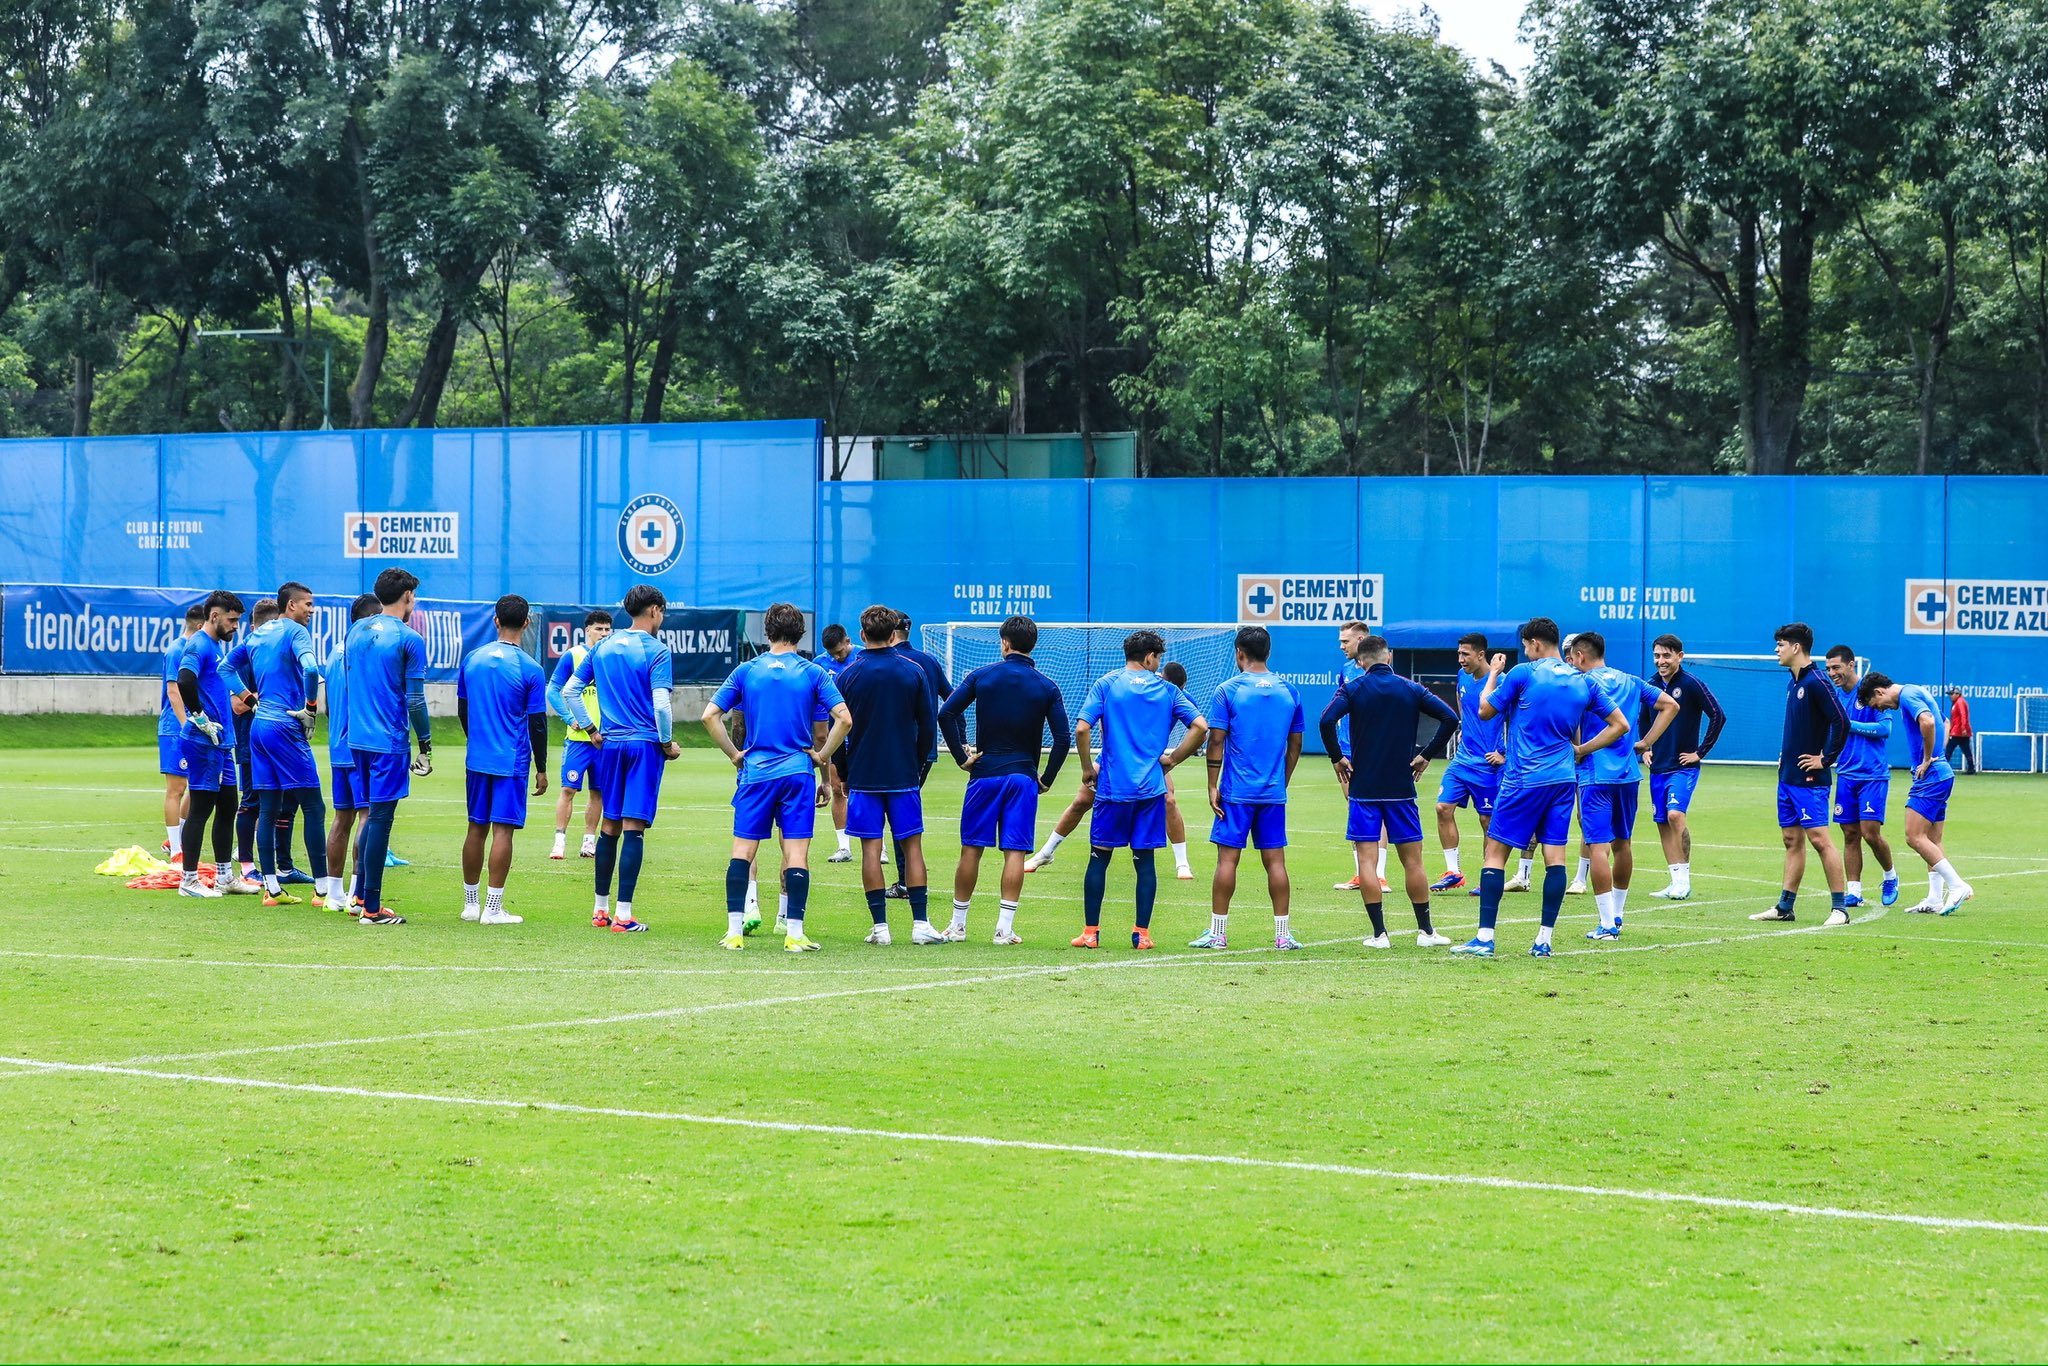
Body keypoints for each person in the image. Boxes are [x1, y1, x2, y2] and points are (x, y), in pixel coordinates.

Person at [1455, 617, 1628, 958]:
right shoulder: (1583, 680)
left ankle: (1485, 938)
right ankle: (1543, 940)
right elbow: (1620, 724)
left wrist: (1492, 675)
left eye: (1525, 646)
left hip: (1523, 778)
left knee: (1495, 854)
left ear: (1534, 643)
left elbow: (1485, 710)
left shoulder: (1524, 672)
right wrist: (1580, 750)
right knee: (1556, 859)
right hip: (1564, 779)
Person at [703, 603, 850, 951]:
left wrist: (735, 755)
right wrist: (822, 757)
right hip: (797, 773)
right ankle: (794, 933)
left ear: (767, 632)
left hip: (756, 773)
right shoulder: (814, 673)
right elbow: (843, 719)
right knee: (796, 853)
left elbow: (710, 716)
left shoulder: (746, 670)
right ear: (800, 633)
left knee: (742, 851)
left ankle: (734, 931)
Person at [1070, 630, 1208, 950]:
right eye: (1158, 658)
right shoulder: (1169, 690)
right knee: (1144, 863)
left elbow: (1081, 727)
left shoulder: (1107, 684)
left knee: (1099, 859)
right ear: (1149, 658)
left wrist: (1087, 768)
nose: (1158, 664)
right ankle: (1141, 934)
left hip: (1112, 788)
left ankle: (1091, 933)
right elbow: (1200, 727)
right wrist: (1172, 759)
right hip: (1149, 789)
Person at [1318, 632, 1457, 949]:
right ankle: (1426, 932)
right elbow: (1450, 718)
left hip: (1363, 788)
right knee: (1413, 862)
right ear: (1389, 657)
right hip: (1401, 790)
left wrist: (1338, 758)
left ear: (1360, 661)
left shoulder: (1352, 689)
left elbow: (1326, 721)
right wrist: (1425, 755)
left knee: (1367, 862)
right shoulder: (1410, 688)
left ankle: (1379, 934)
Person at [939, 614, 1071, 945]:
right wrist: (1047, 778)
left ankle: (957, 925)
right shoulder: (1046, 686)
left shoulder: (981, 676)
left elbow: (946, 713)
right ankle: (1004, 929)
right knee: (1015, 852)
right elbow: (1063, 739)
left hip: (984, 774)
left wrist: (960, 757)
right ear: (1033, 645)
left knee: (971, 850)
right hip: (1023, 777)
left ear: (1005, 643)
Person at [565, 585, 681, 933]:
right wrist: (666, 742)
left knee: (609, 827)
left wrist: (589, 728)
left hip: (610, 745)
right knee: (634, 829)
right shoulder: (657, 650)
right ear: (656, 610)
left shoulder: (601, 646)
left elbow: (570, 691)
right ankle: (624, 914)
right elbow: (661, 704)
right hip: (644, 745)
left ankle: (600, 910)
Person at [1023, 660, 1197, 879]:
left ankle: (1182, 863)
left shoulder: (1178, 695)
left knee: (1168, 800)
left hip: (1148, 761)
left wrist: (1171, 758)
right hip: (1115, 756)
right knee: (1081, 801)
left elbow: (1199, 728)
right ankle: (1046, 852)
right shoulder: (1136, 689)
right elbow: (1106, 721)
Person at [1194, 627, 1304, 950]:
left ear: (1239, 652)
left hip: (1235, 793)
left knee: (1227, 861)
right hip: (1272, 793)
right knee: (1276, 862)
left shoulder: (1227, 690)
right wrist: (1281, 780)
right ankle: (1283, 935)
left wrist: (1212, 784)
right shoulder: (1290, 691)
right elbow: (1295, 744)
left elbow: (1216, 741)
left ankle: (1218, 934)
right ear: (1268, 652)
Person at [836, 605, 940, 944]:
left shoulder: (848, 675)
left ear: (863, 635)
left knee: (870, 850)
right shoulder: (912, 671)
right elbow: (928, 726)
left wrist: (844, 770)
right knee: (912, 847)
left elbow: (840, 728)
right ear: (894, 634)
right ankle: (921, 924)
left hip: (864, 775)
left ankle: (880, 927)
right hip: (903, 773)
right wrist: (919, 761)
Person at [1565, 631, 1677, 941]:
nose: (1571, 663)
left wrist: (1581, 749)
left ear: (1581, 657)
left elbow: (1572, 725)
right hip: (1628, 775)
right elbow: (1670, 706)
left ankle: (1605, 924)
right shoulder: (1630, 680)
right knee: (1623, 844)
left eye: (1572, 658)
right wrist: (1645, 743)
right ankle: (1618, 916)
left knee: (1597, 846)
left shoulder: (1582, 683)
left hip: (1594, 774)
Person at [227, 581, 330, 908]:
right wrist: (310, 708)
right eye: (307, 604)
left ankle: (272, 890)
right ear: (291, 606)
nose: (311, 610)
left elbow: (225, 667)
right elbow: (311, 668)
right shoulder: (295, 632)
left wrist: (248, 697)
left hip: (259, 727)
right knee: (314, 806)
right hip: (285, 724)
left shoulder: (258, 634)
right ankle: (323, 890)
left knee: (268, 808)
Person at [344, 568, 434, 927]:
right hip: (388, 740)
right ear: (408, 596)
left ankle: (361, 896)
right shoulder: (409, 638)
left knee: (370, 815)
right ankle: (372, 908)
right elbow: (415, 700)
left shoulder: (355, 630)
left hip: (357, 739)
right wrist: (425, 744)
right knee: (381, 819)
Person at [457, 595, 550, 926]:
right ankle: (493, 908)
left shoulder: (472, 659)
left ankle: (471, 904)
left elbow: (463, 711)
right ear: (526, 623)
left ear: (495, 621)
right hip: (510, 760)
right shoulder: (531, 668)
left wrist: (477, 741)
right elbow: (537, 724)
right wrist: (542, 768)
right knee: (503, 832)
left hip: (477, 757)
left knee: (475, 827)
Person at [1750, 623, 1852, 927]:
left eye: (1780, 644)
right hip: (1788, 777)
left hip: (1810, 780)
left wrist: (1825, 759)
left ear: (1796, 647)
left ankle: (1840, 909)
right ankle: (1785, 906)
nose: (1776, 650)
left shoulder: (1818, 681)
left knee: (1820, 840)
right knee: (1791, 839)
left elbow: (1842, 723)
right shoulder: (1793, 682)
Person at [1858, 672, 1974, 914]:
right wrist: (1938, 756)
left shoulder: (1908, 695)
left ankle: (1957, 885)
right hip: (1941, 774)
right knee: (1932, 839)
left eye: (1875, 704)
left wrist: (1928, 758)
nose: (1879, 710)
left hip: (1930, 777)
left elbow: (1929, 722)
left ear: (1879, 692)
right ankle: (1934, 899)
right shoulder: (1915, 690)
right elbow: (1945, 722)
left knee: (1914, 837)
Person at [174, 591, 257, 897]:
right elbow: (184, 680)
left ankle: (224, 876)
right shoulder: (198, 643)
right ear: (214, 616)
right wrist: (198, 717)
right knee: (201, 808)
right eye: (232, 620)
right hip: (203, 741)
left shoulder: (216, 648)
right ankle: (189, 880)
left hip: (221, 742)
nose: (236, 626)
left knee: (227, 806)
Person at [1644, 634, 1727, 901]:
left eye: (1666, 655)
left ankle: (1685, 880)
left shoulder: (1691, 684)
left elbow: (1718, 715)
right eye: (1657, 655)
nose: (1661, 661)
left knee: (1675, 816)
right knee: (1662, 823)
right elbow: (1642, 718)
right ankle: (1675, 881)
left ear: (1680, 656)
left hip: (1683, 766)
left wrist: (1700, 752)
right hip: (1658, 767)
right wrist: (1646, 748)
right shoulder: (1651, 685)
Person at [1824, 645, 1899, 908]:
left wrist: (1850, 724)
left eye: (1837, 667)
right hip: (1845, 774)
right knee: (1849, 834)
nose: (1832, 673)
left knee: (1870, 833)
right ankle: (1854, 891)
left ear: (1851, 665)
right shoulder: (1835, 698)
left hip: (1872, 775)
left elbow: (1884, 729)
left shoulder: (1868, 691)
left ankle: (1890, 876)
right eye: (1829, 668)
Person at [1432, 632, 1505, 893]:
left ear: (1481, 655)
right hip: (1463, 760)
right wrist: (1465, 727)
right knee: (1442, 807)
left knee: (1487, 820)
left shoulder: (1501, 681)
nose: (1460, 659)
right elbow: (1464, 706)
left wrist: (1504, 753)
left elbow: (1517, 720)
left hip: (1488, 765)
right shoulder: (1462, 677)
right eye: (1459, 653)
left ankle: (1489, 876)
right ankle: (1453, 871)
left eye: (1466, 654)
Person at [885, 612, 952, 897]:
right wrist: (958, 744)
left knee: (897, 814)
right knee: (904, 811)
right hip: (924, 751)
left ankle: (904, 882)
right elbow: (952, 701)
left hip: (894, 750)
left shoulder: (887, 663)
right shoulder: (928, 661)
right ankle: (907, 880)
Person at [322, 594, 380, 913]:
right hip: (361, 747)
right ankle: (358, 894)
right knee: (366, 817)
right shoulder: (365, 653)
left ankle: (333, 894)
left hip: (336, 747)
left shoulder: (334, 653)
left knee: (341, 819)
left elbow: (330, 707)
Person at [547, 609, 612, 860]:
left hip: (605, 740)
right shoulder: (573, 656)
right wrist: (570, 718)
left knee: (599, 792)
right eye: (599, 629)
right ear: (587, 630)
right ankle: (559, 841)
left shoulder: (611, 657)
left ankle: (588, 842)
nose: (604, 633)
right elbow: (553, 690)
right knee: (568, 789)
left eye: (607, 629)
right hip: (578, 741)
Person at [1329, 636, 1390, 896]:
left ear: (1361, 641)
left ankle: (1380, 876)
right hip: (1346, 748)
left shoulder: (1381, 671)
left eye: (1346, 640)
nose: (1341, 645)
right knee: (1355, 810)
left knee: (1379, 810)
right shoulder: (1345, 671)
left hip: (1369, 750)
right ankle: (1360, 874)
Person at [229, 597, 278, 878]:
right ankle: (246, 864)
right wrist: (274, 697)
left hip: (275, 740)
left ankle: (279, 865)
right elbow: (237, 704)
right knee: (251, 801)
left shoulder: (272, 652)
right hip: (250, 740)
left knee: (278, 803)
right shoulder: (245, 654)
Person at [157, 602, 205, 860]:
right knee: (176, 788)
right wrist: (186, 723)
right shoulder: (177, 650)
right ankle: (176, 849)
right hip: (176, 728)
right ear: (200, 626)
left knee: (198, 787)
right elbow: (173, 690)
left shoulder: (199, 651)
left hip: (195, 726)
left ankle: (176, 840)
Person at [817, 623, 856, 863]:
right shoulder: (819, 664)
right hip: (834, 736)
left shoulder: (863, 656)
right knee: (839, 788)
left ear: (848, 641)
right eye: (832, 654)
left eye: (840, 652)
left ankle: (880, 846)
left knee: (870, 793)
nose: (837, 657)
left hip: (862, 737)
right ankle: (844, 847)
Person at [1945, 688, 1975, 773]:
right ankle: (1971, 768)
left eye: (1952, 694)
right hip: (1960, 731)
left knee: (1949, 749)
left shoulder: (1960, 702)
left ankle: (1943, 767)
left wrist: (1963, 728)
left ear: (1957, 694)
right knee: (1966, 750)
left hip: (1958, 732)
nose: (1950, 696)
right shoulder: (1957, 702)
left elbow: (1963, 715)